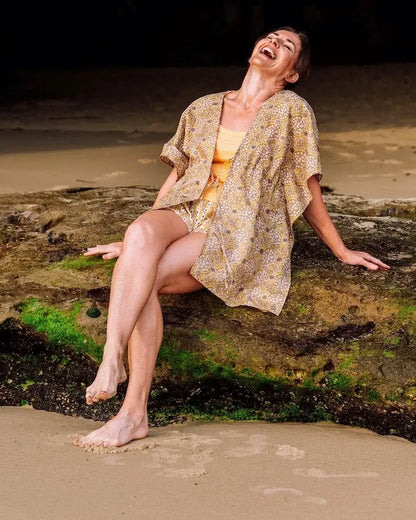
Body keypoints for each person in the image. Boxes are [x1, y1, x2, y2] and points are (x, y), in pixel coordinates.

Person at [74, 27, 390, 449]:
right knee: (140, 233)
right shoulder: (204, 106)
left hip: (237, 226)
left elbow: (307, 184)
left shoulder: (291, 111)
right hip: (188, 208)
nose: (274, 43)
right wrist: (135, 247)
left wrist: (341, 249)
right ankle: (114, 356)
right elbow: (178, 175)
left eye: (287, 46)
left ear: (291, 73)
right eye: (271, 37)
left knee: (146, 278)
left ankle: (132, 414)